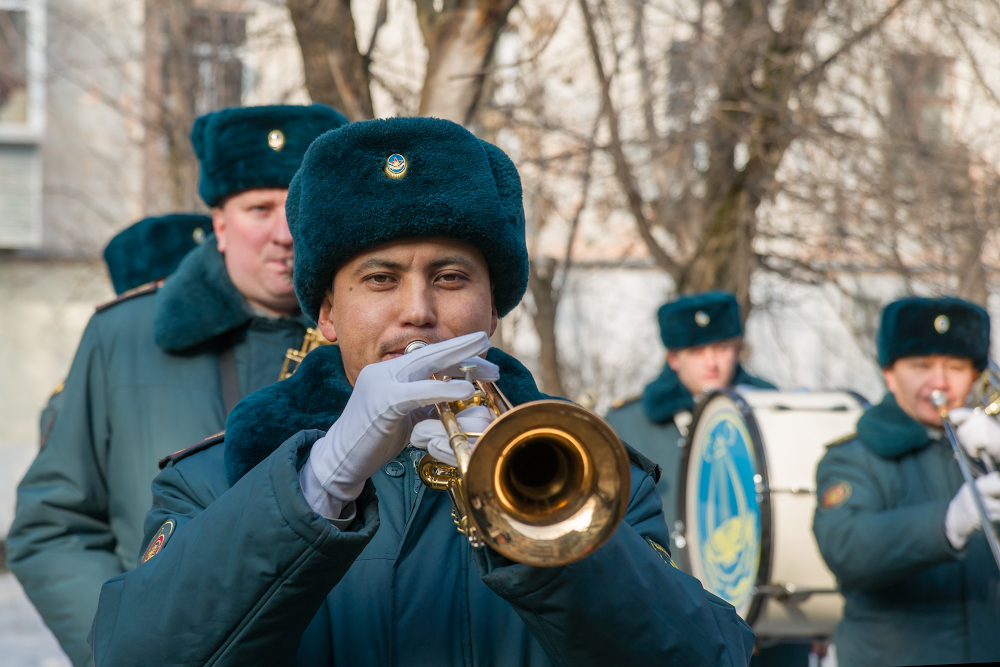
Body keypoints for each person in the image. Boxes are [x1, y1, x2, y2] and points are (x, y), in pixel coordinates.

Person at [88, 117, 755, 666]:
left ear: (493, 310)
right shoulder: (213, 478)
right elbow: (131, 654)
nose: (418, 310)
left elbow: (709, 655)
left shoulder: (593, 474)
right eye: (379, 279)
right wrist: (320, 483)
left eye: (451, 276)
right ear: (325, 313)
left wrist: (539, 529)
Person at [7, 103, 348, 667]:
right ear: (218, 221)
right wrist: (120, 641)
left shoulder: (376, 338)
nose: (284, 233)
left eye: (298, 206)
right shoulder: (123, 335)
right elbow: (53, 526)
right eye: (258, 208)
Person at [813, 296, 1000, 666]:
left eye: (955, 366)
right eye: (921, 365)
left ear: (975, 376)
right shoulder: (854, 457)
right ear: (889, 374)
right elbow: (846, 546)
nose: (939, 381)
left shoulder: (988, 449)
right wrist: (947, 524)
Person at [605, 291, 775, 557]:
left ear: (736, 349)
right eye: (696, 351)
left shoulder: (771, 410)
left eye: (720, 348)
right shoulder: (626, 426)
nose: (711, 363)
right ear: (673, 358)